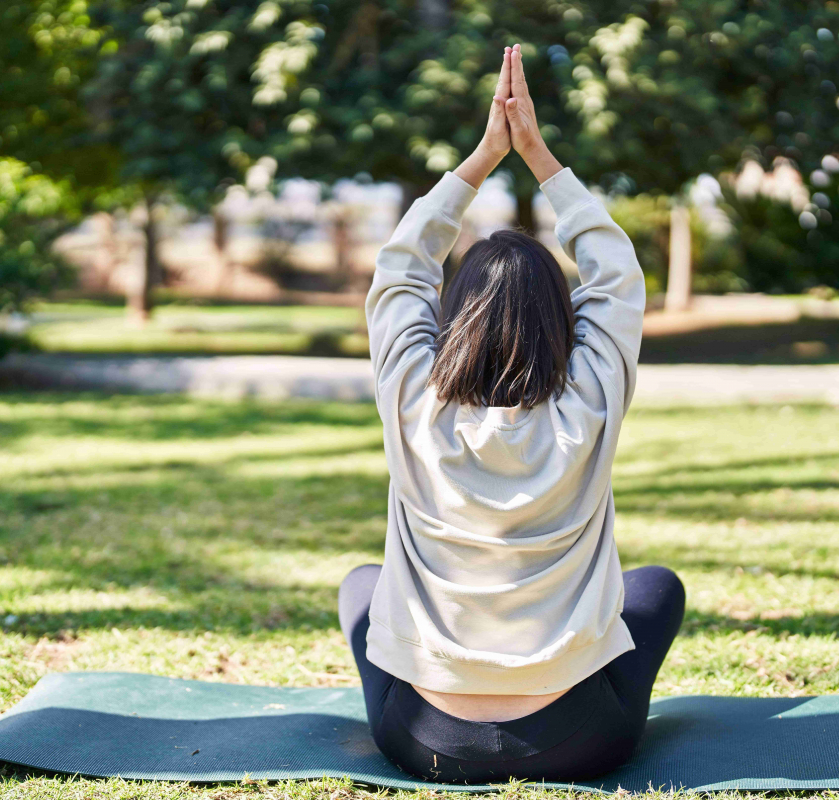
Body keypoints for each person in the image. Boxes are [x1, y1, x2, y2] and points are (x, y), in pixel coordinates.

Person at [338, 44, 685, 784]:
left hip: (426, 738)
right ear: (564, 324)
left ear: (453, 316)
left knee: (360, 588)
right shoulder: (590, 401)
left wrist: (480, 161)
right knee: (657, 590)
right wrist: (539, 157)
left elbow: (400, 268)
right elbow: (616, 275)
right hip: (577, 739)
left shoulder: (412, 401)